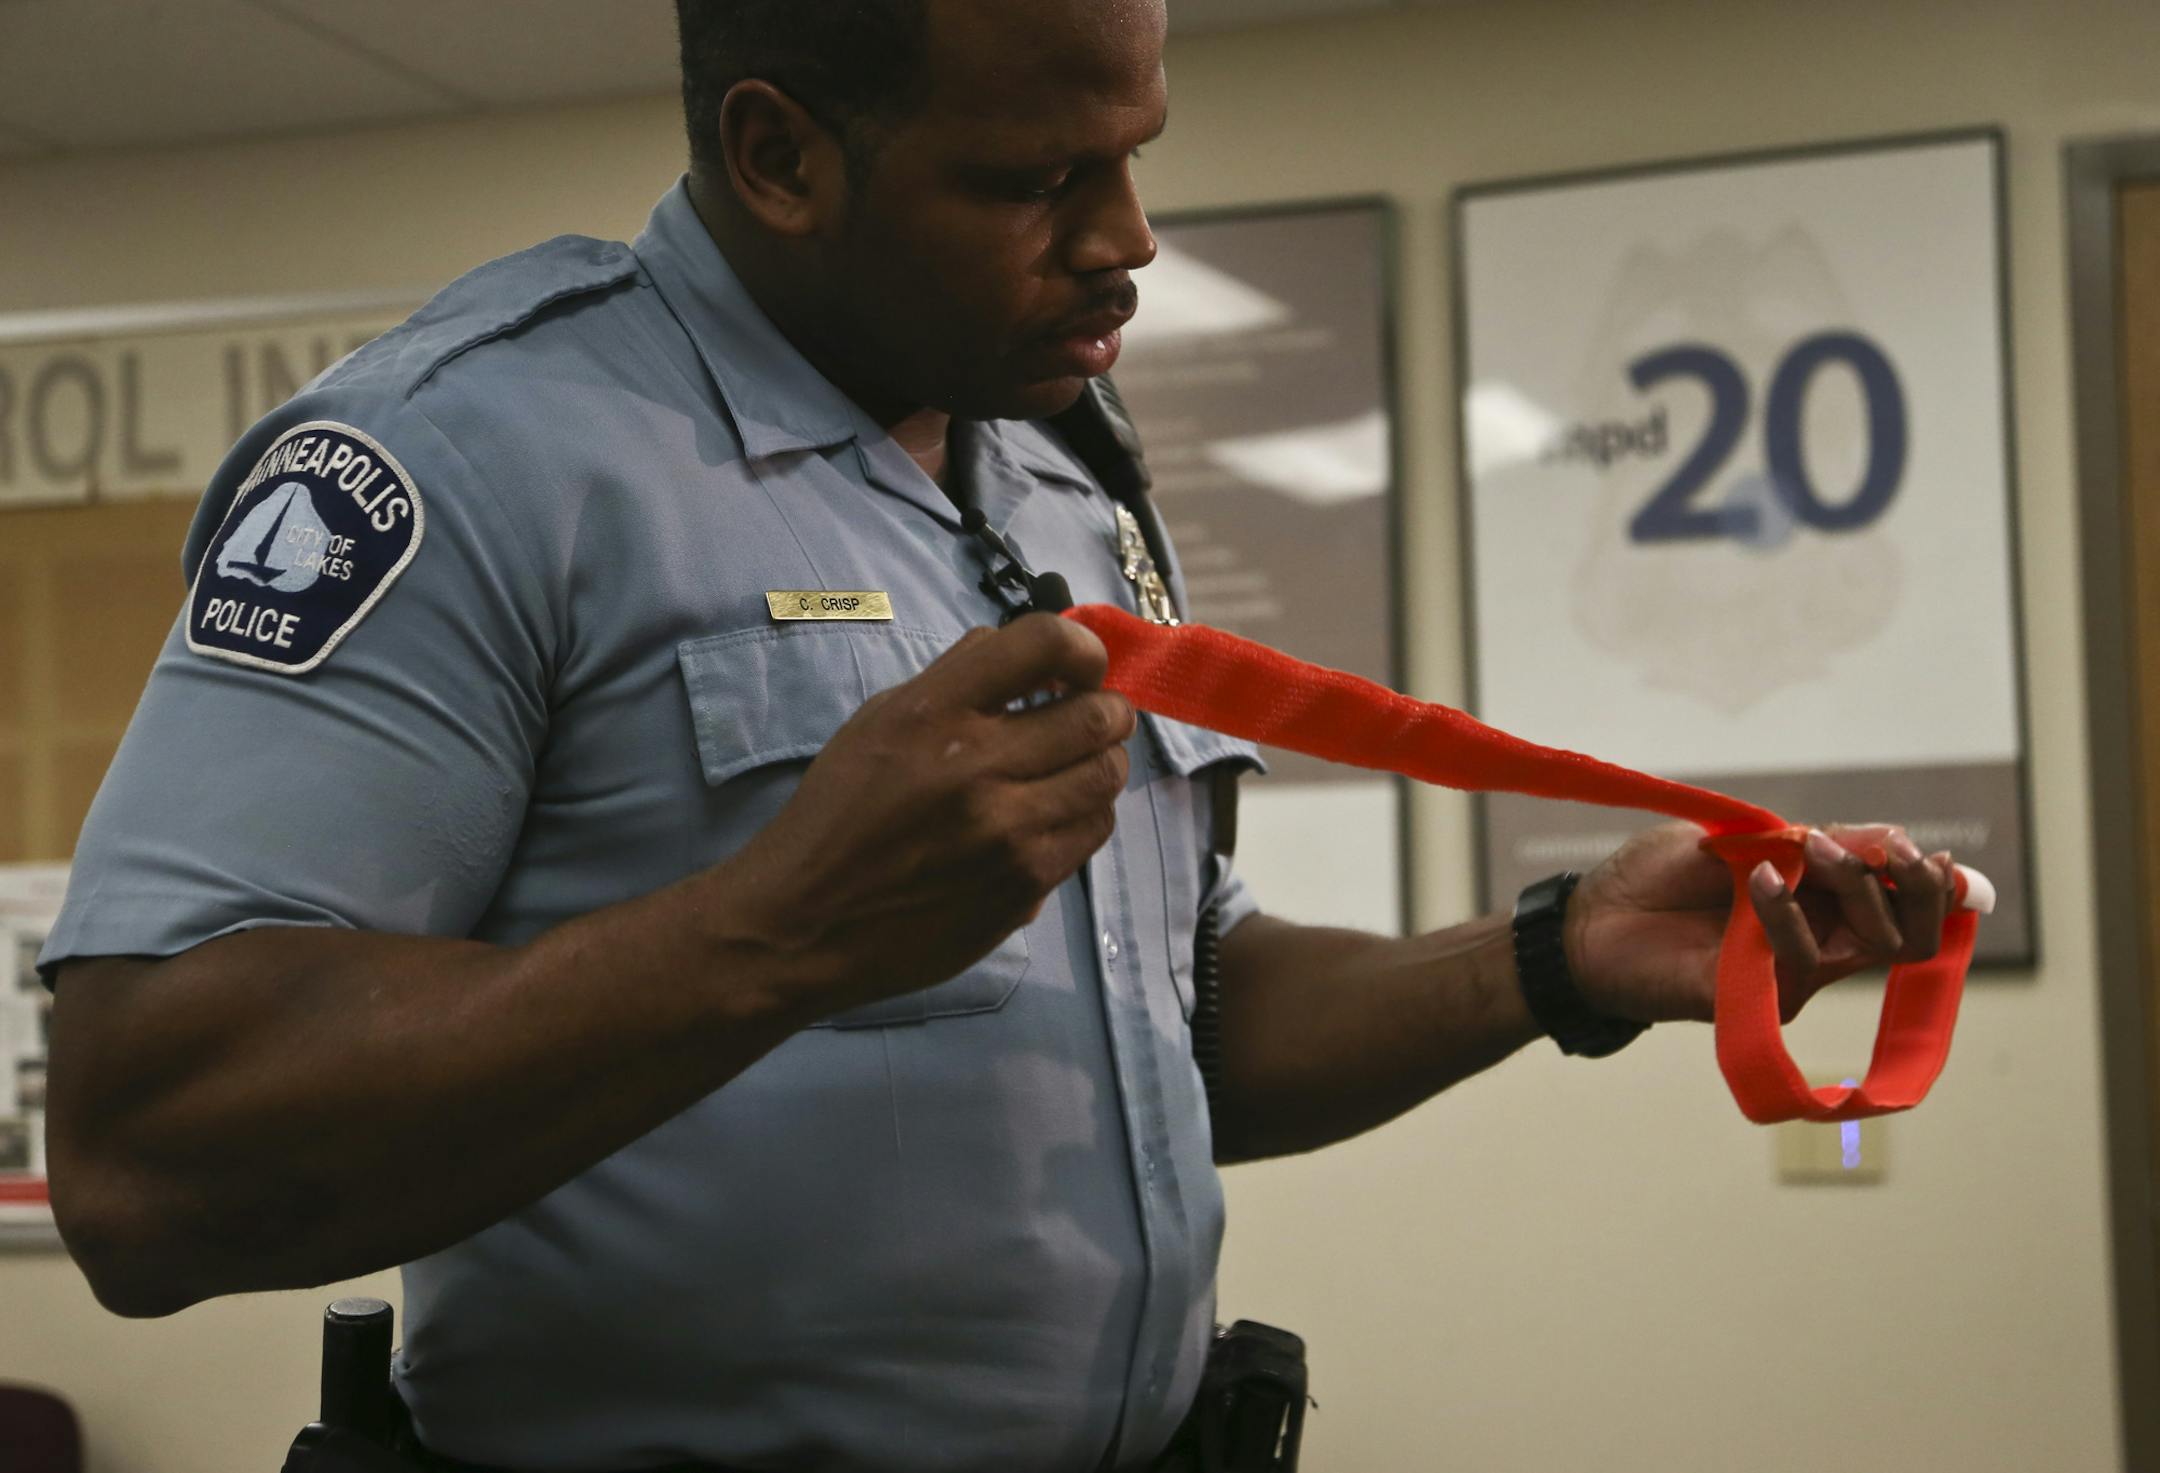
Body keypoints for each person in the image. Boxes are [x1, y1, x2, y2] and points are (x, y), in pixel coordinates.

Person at [38, 2, 1961, 1470]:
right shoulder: (467, 459)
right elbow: (143, 1163)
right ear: (780, 154)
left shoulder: (1055, 477)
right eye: (1038, 180)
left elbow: (1161, 1023)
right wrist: (776, 928)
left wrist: (1545, 958)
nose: (1130, 239)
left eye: (1134, 155)